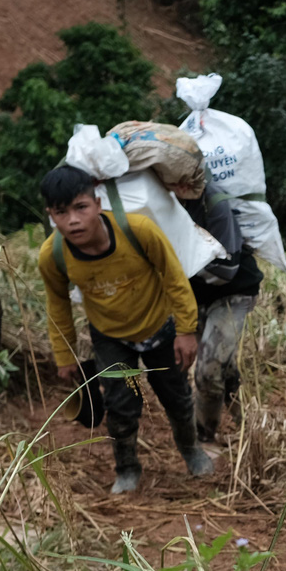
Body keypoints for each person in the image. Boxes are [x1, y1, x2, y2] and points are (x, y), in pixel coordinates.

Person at [37, 165, 212, 492]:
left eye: (81, 208)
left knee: (176, 397)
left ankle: (191, 451)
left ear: (97, 204)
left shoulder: (138, 230)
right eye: (61, 212)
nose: (73, 220)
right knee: (119, 405)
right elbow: (57, 305)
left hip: (159, 328)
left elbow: (174, 278)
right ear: (51, 216)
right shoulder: (54, 256)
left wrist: (187, 330)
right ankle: (127, 468)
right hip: (110, 338)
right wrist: (65, 356)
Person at [180, 179, 262, 440]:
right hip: (195, 296)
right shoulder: (154, 202)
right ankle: (249, 423)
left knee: (208, 369)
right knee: (222, 367)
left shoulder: (214, 202)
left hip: (233, 292)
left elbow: (226, 271)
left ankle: (204, 434)